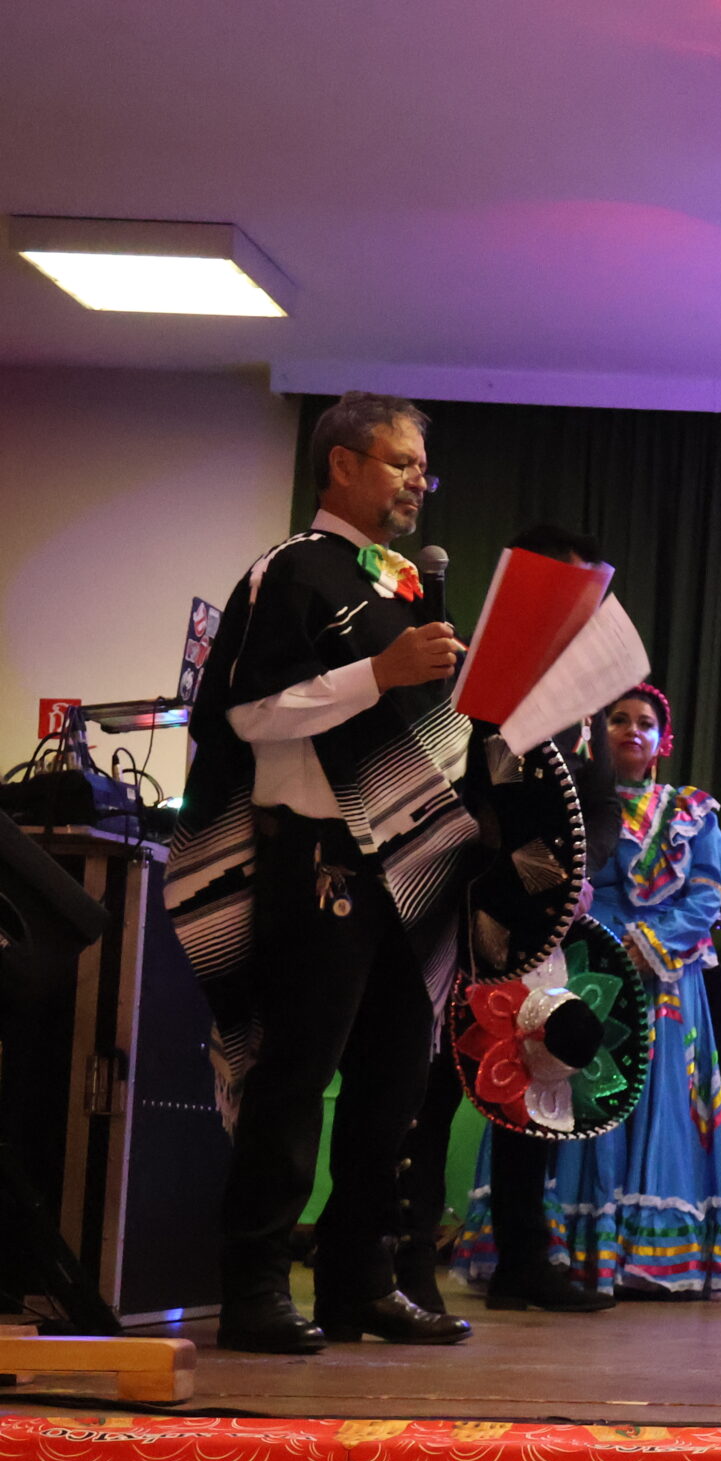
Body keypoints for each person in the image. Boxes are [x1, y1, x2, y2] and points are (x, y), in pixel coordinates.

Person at [168, 391, 475, 1354]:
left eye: (423, 467)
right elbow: (249, 715)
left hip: (403, 863)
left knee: (394, 1084)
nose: (417, 481)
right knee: (296, 1079)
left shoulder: (401, 589)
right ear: (341, 464)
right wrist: (378, 674)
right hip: (317, 859)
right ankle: (255, 1285)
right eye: (400, 462)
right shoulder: (289, 572)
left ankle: (358, 1283)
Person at [431, 522, 618, 1315]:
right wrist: (532, 876)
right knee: (433, 1084)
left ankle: (522, 1259)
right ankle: (397, 1255)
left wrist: (581, 873)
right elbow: (465, 794)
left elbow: (598, 803)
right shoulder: (467, 671)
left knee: (532, 1080)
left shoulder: (583, 692)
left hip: (547, 917)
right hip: (464, 907)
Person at [543, 684, 721, 1297]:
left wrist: (646, 946)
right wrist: (603, 946)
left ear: (664, 739)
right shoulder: (573, 804)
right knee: (583, 1095)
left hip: (666, 979)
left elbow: (706, 896)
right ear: (597, 732)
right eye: (619, 719)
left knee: (664, 1101)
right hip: (585, 966)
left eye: (646, 722)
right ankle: (569, 1252)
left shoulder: (693, 812)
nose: (633, 730)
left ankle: (647, 1257)